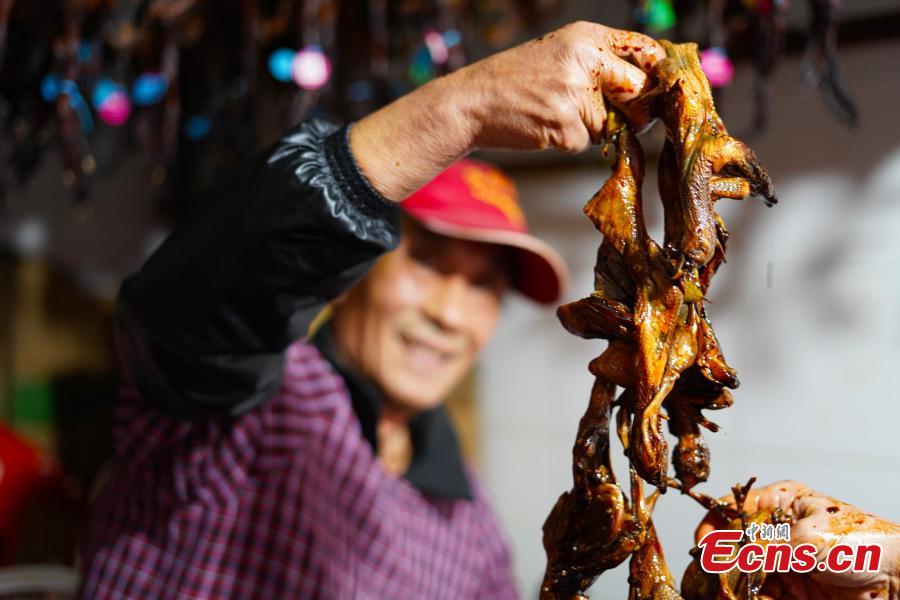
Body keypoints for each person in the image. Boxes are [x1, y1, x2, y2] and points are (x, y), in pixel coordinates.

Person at [76, 19, 898, 599]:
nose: (449, 312)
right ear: (360, 263)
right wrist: (461, 109)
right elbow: (184, 311)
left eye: (482, 287)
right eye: (429, 262)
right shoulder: (240, 409)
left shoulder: (465, 517)